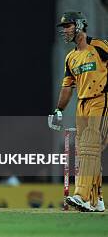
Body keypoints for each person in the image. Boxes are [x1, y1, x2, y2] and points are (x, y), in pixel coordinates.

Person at [49, 11, 108, 212]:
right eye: (63, 28)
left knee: (90, 148)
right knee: (86, 152)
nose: (65, 31)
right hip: (82, 105)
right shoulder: (71, 57)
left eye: (68, 26)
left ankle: (81, 194)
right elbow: (67, 87)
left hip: (102, 100)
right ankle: (96, 199)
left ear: (80, 25)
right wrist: (58, 110)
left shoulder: (100, 46)